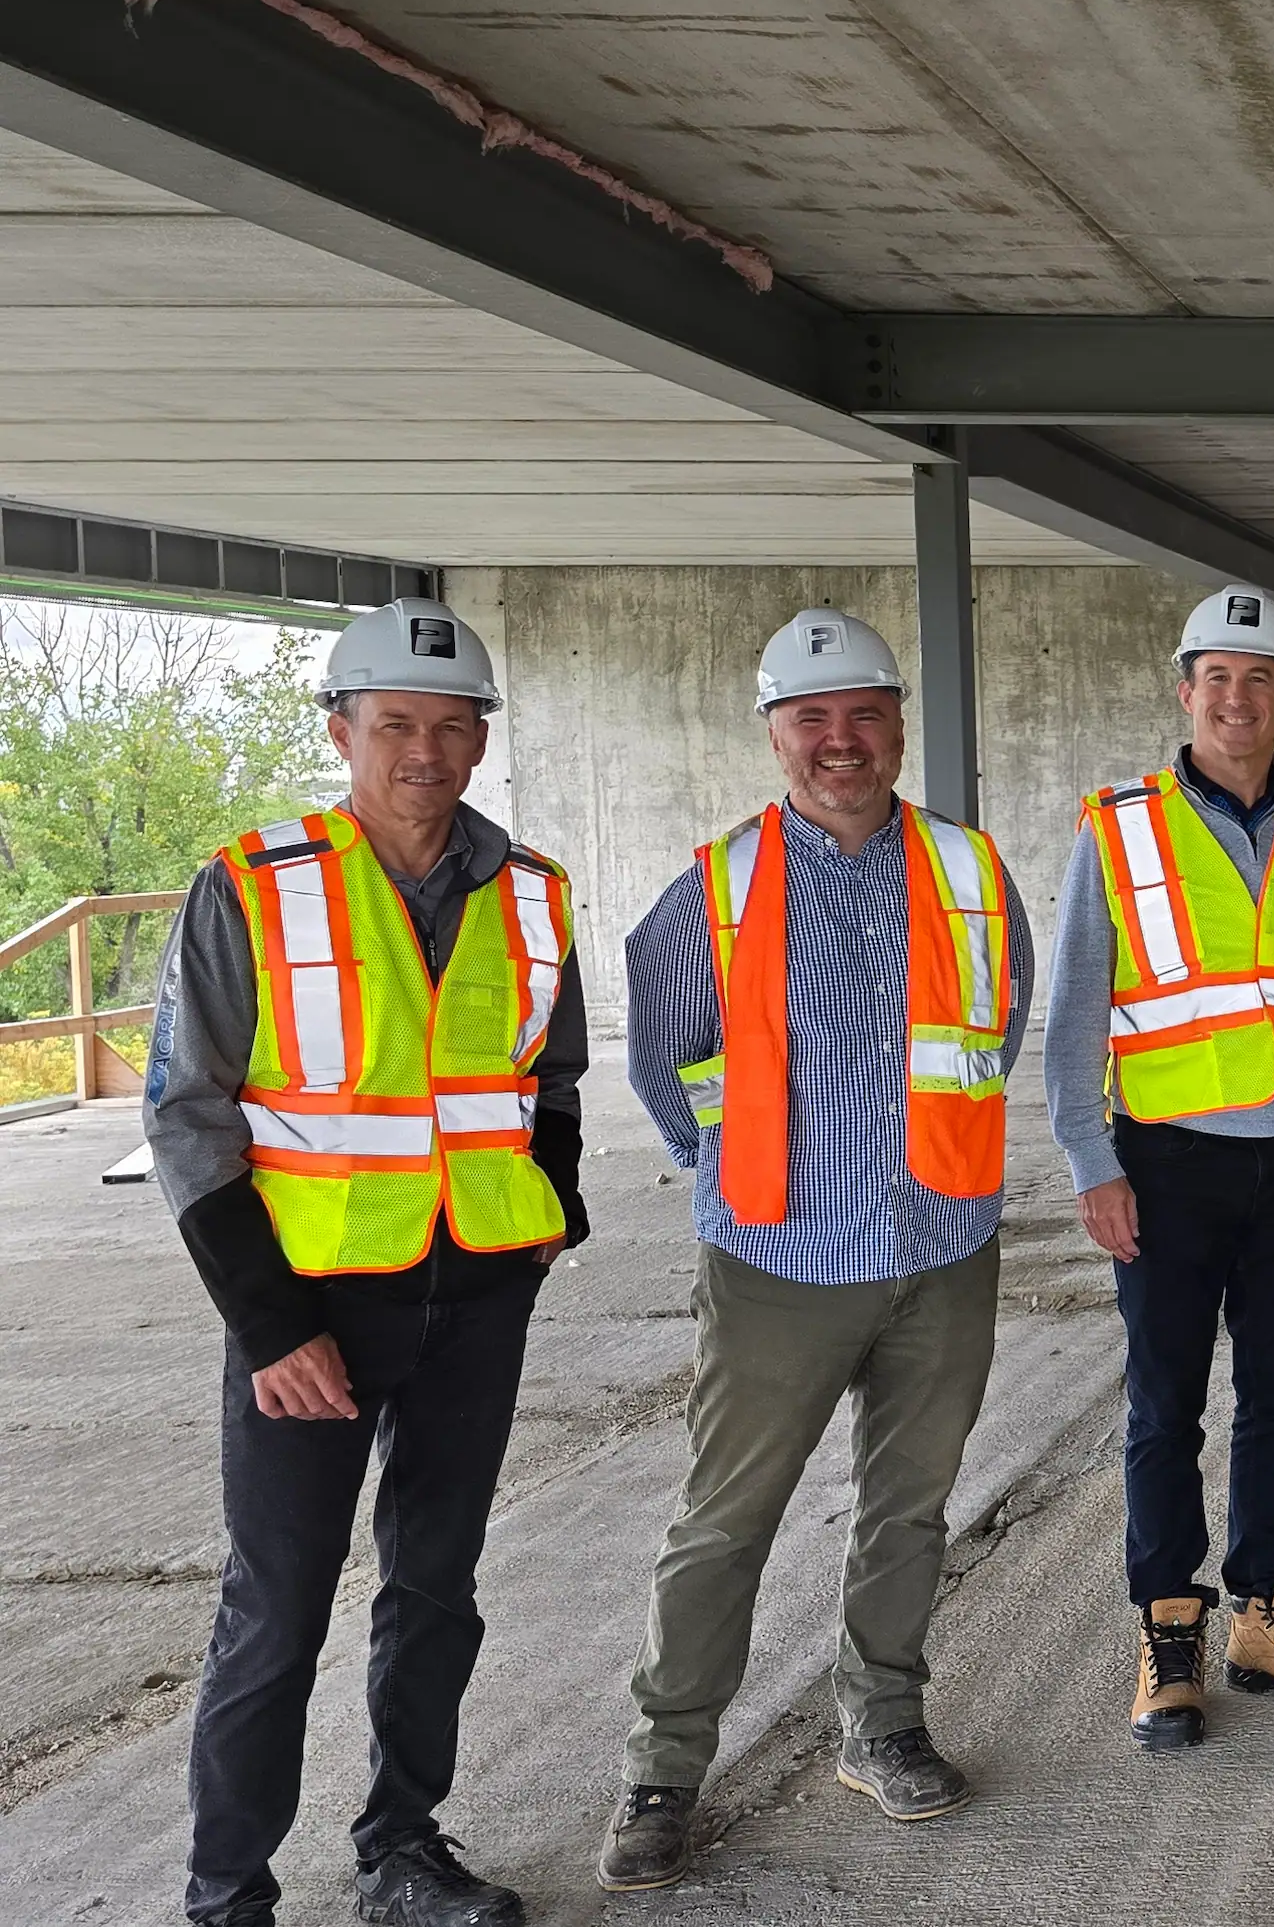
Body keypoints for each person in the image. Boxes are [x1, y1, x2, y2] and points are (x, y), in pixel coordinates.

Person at [153, 599, 580, 1927]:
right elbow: (189, 1113)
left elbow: (545, 1083)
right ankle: (227, 1891)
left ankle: (403, 1847)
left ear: (480, 739)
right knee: (276, 1613)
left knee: (435, 1589)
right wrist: (273, 1327)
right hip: (310, 1313)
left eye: (453, 726)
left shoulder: (530, 889)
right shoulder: (257, 883)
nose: (425, 751)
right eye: (395, 722)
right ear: (342, 730)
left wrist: (543, 1222)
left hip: (474, 1302)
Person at [598, 610, 1031, 1892]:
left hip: (941, 1244)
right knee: (725, 1523)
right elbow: (664, 1057)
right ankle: (666, 1765)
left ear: (897, 722)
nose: (839, 741)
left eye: (862, 715)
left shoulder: (966, 867)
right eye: (811, 719)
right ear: (775, 734)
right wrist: (743, 1172)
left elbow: (992, 1027)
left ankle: (883, 1722)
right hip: (777, 1258)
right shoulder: (716, 885)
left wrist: (924, 1157)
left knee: (909, 1508)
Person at [1049, 585, 1274, 1748]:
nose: (1237, 698)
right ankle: (1167, 1633)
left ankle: (1268, 1610)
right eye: (1217, 677)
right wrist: (1092, 1163)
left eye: (1260, 678)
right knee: (1164, 1407)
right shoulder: (1120, 826)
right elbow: (1072, 1016)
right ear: (1185, 688)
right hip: (1165, 1163)